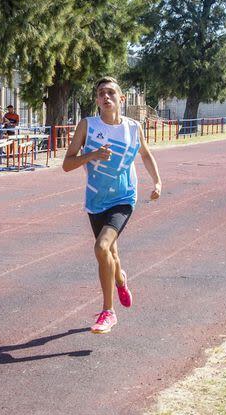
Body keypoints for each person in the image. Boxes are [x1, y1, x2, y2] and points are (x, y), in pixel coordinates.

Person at [62, 76, 162, 334]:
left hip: (124, 197)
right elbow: (67, 164)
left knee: (101, 246)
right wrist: (93, 154)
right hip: (96, 199)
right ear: (96, 100)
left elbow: (146, 154)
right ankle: (120, 279)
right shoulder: (87, 125)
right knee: (111, 255)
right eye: (100, 94)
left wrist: (157, 182)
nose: (104, 97)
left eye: (110, 93)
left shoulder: (132, 127)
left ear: (121, 98)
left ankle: (108, 311)